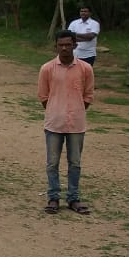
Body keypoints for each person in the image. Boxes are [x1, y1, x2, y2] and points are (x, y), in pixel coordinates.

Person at [39, 30, 95, 215]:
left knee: (75, 163)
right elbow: (43, 96)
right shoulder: (47, 68)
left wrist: (76, 110)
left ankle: (73, 198)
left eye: (68, 44)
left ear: (75, 45)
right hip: (54, 123)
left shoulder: (85, 68)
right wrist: (57, 109)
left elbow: (88, 95)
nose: (64, 48)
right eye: (60, 45)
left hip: (76, 124)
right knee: (52, 163)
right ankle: (53, 198)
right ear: (56, 46)